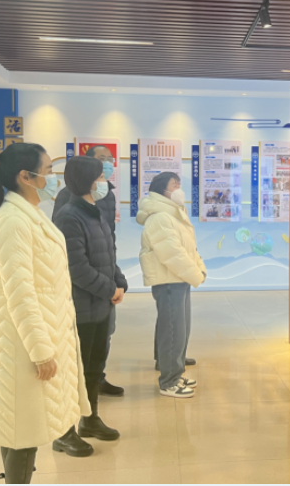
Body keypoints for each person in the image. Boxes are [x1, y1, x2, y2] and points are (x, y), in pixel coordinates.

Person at [0, 143, 91, 484]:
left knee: (19, 424)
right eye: (48, 170)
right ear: (26, 176)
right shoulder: (12, 221)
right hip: (20, 343)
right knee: (23, 427)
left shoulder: (27, 214)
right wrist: (41, 350)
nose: (53, 177)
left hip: (31, 334)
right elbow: (19, 292)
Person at [52, 156, 128, 451]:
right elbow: (77, 268)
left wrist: (119, 282)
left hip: (100, 306)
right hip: (80, 308)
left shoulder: (95, 212)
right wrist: (110, 289)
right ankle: (64, 432)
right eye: (100, 177)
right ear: (87, 181)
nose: (104, 182)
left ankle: (90, 418)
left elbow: (108, 254)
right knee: (74, 369)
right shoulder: (69, 216)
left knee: (94, 366)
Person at [137, 172, 206, 398]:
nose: (179, 189)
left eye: (179, 184)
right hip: (169, 280)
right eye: (174, 185)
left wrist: (199, 268)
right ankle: (169, 382)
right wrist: (195, 274)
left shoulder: (174, 214)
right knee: (173, 331)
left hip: (179, 278)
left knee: (180, 329)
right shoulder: (160, 217)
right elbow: (172, 253)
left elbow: (189, 248)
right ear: (162, 190)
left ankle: (175, 372)